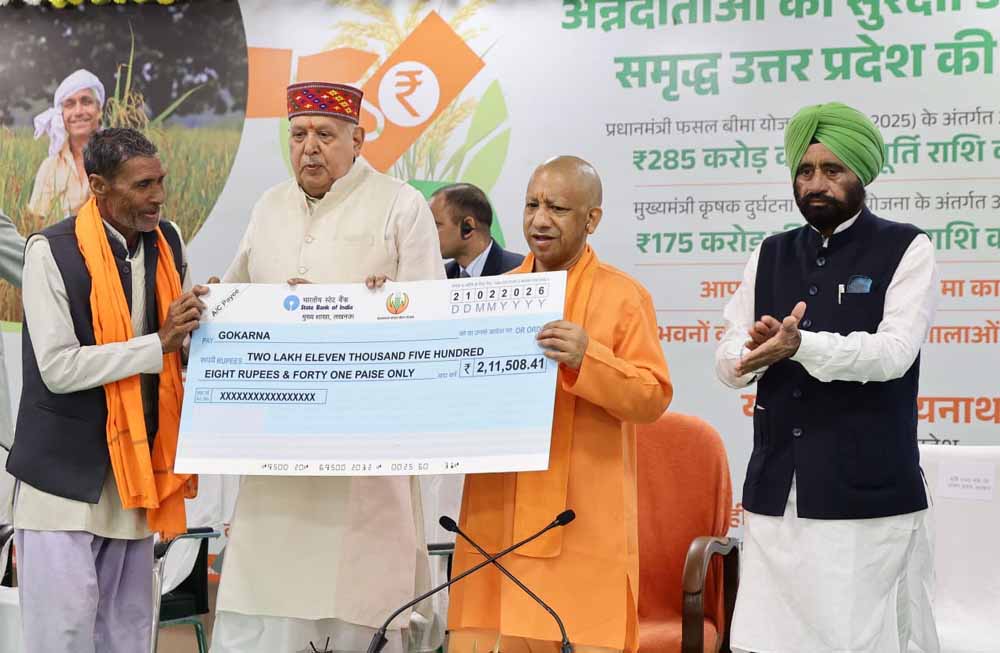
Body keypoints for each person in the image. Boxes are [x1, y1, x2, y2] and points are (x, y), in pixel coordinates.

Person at [210, 81, 444, 653]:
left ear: (358, 140)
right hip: (277, 452)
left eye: (324, 134)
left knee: (360, 603)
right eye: (298, 135)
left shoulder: (400, 205)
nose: (309, 147)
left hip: (364, 452)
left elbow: (432, 321)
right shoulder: (269, 207)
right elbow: (235, 295)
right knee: (267, 603)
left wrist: (370, 307)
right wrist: (214, 304)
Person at [714, 102, 940, 653]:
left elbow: (893, 354)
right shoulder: (770, 253)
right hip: (775, 493)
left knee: (855, 640)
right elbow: (727, 360)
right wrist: (752, 355)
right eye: (805, 170)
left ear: (861, 173)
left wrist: (801, 345)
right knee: (764, 642)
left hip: (864, 496)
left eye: (832, 170)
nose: (816, 184)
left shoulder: (906, 247)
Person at [447, 156, 673, 653]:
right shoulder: (494, 297)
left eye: (557, 208)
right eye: (532, 205)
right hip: (495, 524)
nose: (540, 220)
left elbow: (651, 397)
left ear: (592, 219)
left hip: (581, 528)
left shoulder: (623, 297)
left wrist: (588, 358)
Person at [5, 127, 208, 651]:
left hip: (135, 474)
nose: (158, 196)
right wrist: (159, 344)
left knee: (128, 634)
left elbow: (181, 343)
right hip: (62, 483)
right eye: (142, 185)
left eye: (160, 181)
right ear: (98, 186)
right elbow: (58, 368)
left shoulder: (169, 242)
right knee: (63, 636)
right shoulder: (50, 251)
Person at [28, 69, 105, 220]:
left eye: (86, 102)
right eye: (70, 104)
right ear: (61, 114)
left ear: (99, 109)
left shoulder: (118, 159)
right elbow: (37, 221)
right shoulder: (50, 167)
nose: (78, 111)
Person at [431, 182, 523, 278]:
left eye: (435, 225)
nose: (428, 234)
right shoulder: (440, 277)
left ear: (468, 227)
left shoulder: (523, 272)